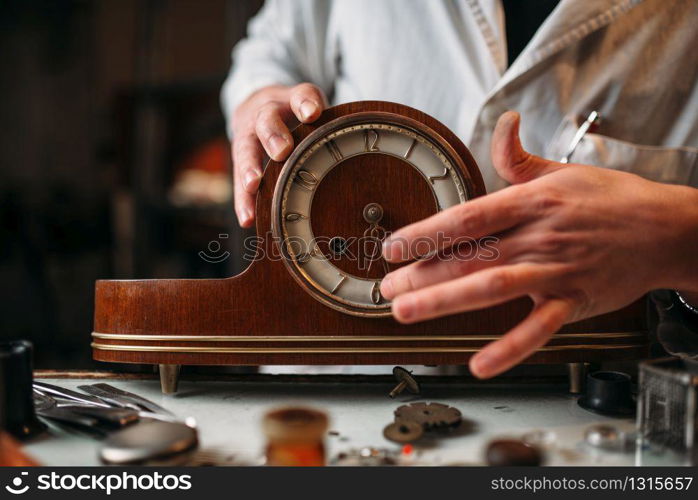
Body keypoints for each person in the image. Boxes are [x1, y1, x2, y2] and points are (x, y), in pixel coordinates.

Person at [221, 0, 698, 378]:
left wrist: (678, 234)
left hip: (593, 400)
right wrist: (260, 98)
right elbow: (272, 51)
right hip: (338, 374)